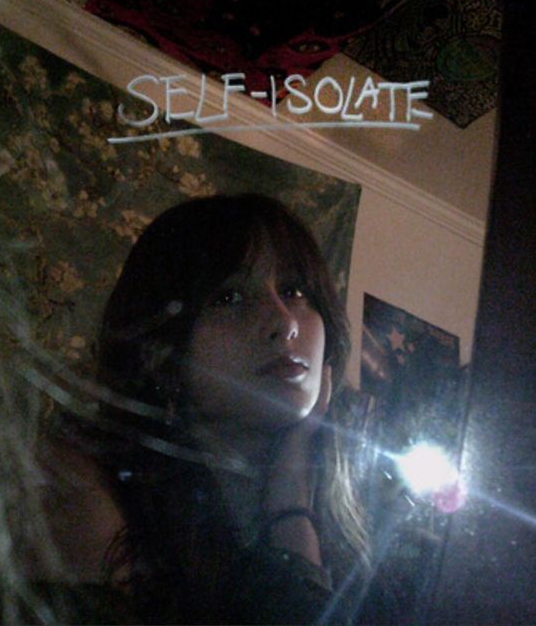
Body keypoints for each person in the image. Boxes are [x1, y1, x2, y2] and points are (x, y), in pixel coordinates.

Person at [57, 193, 369, 624]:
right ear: (160, 351)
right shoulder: (86, 488)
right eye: (229, 297)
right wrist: (291, 515)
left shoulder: (363, 514)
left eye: (294, 290)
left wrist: (291, 486)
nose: (284, 323)